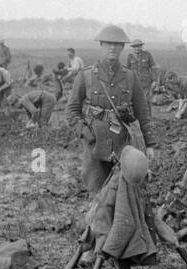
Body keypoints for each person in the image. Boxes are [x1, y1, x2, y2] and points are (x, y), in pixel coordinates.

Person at [67, 26, 157, 195]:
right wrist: (84, 132)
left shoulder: (130, 77)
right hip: (94, 147)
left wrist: (150, 144)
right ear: (101, 45)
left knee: (125, 195)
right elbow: (72, 110)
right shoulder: (85, 76)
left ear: (123, 47)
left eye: (117, 44)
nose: (113, 48)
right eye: (108, 43)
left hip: (123, 147)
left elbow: (142, 113)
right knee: (97, 194)